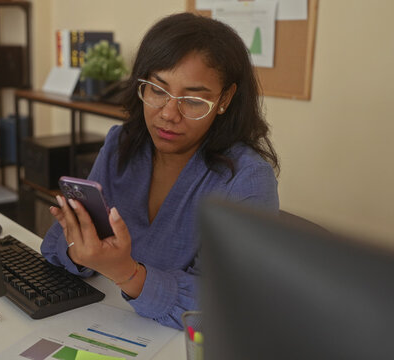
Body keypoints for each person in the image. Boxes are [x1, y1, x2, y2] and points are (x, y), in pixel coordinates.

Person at [41, 12, 279, 329]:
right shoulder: (121, 145)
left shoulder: (247, 180)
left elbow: (231, 304)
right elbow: (57, 243)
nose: (168, 114)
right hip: (107, 322)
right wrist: (79, 252)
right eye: (157, 90)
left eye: (193, 99)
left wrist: (126, 272)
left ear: (225, 99)